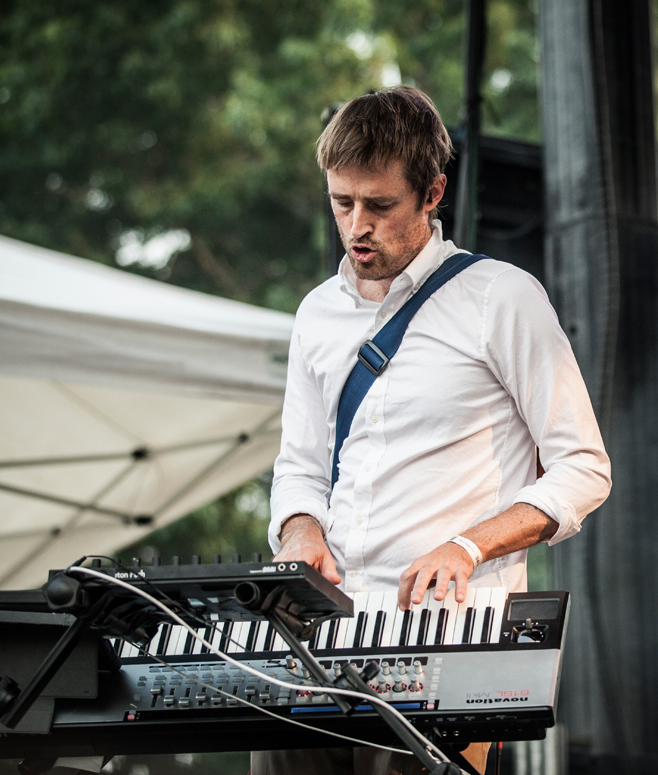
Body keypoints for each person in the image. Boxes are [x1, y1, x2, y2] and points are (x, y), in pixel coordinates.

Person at [252, 86, 611, 775]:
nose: (357, 226)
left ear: (432, 193)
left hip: (446, 650)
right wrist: (300, 530)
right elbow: (298, 465)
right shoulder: (315, 314)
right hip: (314, 643)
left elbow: (584, 468)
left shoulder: (500, 297)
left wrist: (467, 546)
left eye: (380, 206)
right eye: (341, 202)